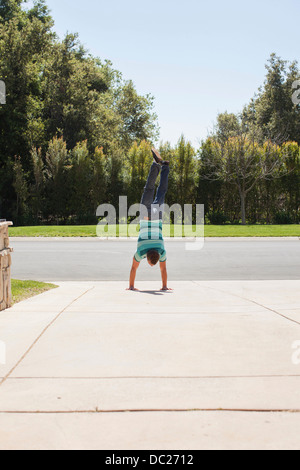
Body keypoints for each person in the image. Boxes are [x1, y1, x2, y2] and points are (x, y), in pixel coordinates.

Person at [127, 148, 172, 292]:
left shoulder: (162, 251)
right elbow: (133, 268)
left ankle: (164, 166)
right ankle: (155, 164)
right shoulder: (140, 251)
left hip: (156, 216)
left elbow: (163, 270)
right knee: (148, 189)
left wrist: (165, 286)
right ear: (147, 258)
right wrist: (131, 287)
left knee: (160, 191)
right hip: (145, 216)